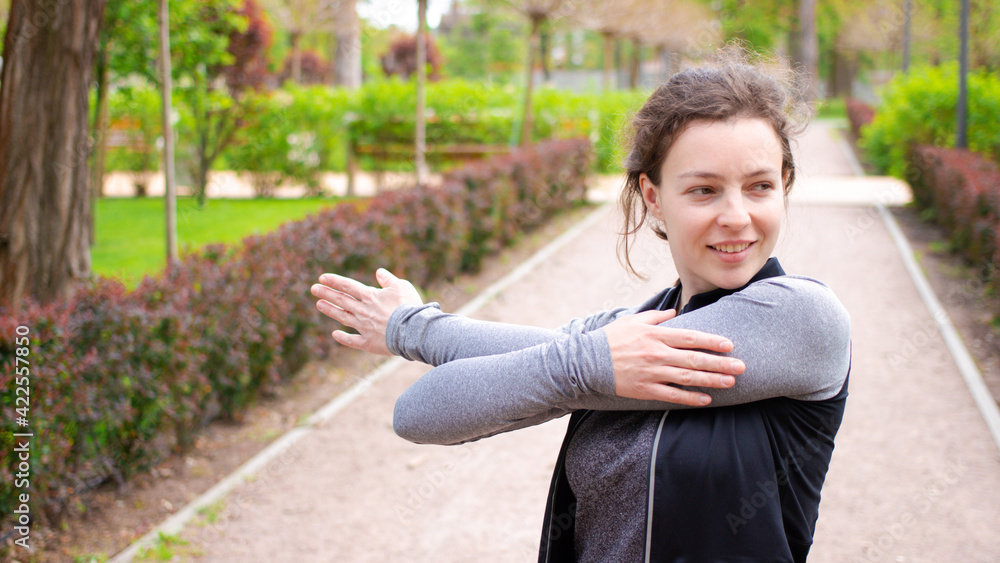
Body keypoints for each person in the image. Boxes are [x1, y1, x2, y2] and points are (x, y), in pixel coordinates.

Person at [310, 50, 851, 562]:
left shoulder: (805, 321)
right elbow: (421, 412)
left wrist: (422, 330)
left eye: (759, 186)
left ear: (784, 186)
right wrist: (414, 328)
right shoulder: (630, 331)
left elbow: (562, 361)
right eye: (704, 190)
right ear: (653, 197)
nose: (736, 216)